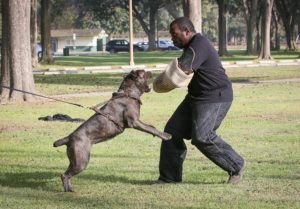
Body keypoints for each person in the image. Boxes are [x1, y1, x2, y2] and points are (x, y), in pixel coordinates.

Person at [156, 17, 245, 184]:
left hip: (215, 97)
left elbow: (182, 69)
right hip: (195, 97)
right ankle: (169, 178)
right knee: (171, 132)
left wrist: (158, 84)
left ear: (187, 31)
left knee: (203, 137)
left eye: (175, 35)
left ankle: (236, 165)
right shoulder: (191, 45)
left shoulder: (199, 44)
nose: (172, 39)